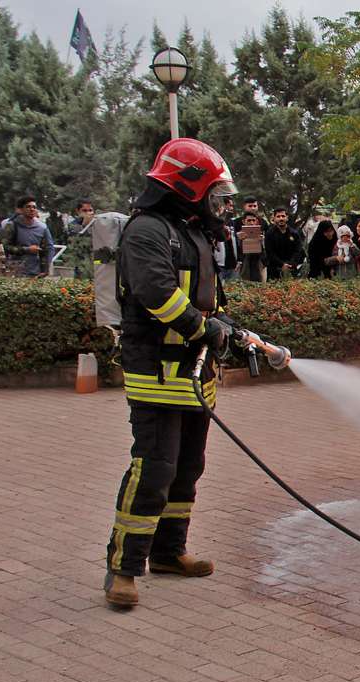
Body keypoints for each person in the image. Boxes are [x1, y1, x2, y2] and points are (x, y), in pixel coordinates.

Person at [103, 137, 238, 609]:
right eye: (213, 193)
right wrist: (207, 329)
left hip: (194, 373)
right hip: (156, 372)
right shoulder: (147, 232)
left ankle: (168, 552)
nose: (220, 205)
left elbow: (208, 300)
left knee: (187, 468)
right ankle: (123, 568)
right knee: (154, 469)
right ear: (186, 187)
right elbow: (157, 294)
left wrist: (231, 330)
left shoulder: (193, 232)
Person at [0, 195, 55, 277]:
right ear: (20, 210)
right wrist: (26, 249)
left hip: (34, 272)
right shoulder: (11, 225)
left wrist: (46, 269)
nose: (32, 209)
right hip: (14, 272)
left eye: (34, 207)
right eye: (28, 207)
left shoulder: (42, 227)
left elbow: (49, 248)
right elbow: (3, 247)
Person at [264, 208, 302, 280]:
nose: (281, 218)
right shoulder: (269, 234)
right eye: (278, 216)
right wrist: (282, 264)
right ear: (274, 218)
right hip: (274, 269)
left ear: (287, 218)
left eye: (283, 216)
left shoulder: (294, 233)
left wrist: (290, 264)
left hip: (291, 268)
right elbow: (269, 252)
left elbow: (298, 250)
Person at [236, 214, 265, 281]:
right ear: (243, 221)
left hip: (257, 264)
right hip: (244, 264)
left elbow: (264, 252)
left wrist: (262, 242)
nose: (251, 223)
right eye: (249, 220)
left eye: (253, 220)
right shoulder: (238, 235)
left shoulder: (261, 235)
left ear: (256, 221)